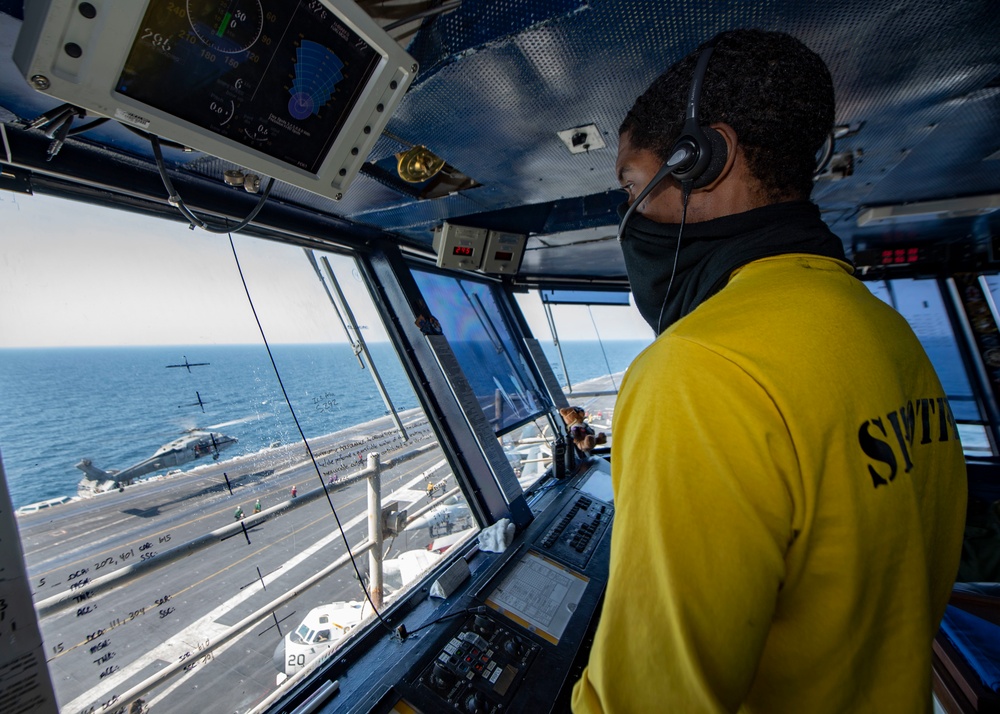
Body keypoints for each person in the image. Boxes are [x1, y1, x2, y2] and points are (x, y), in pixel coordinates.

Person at [572, 29, 967, 713]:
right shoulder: (883, 330)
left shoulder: (701, 370)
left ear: (703, 161)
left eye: (635, 186)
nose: (631, 214)